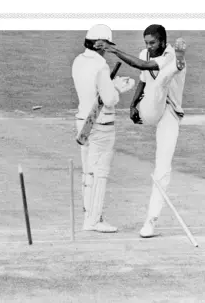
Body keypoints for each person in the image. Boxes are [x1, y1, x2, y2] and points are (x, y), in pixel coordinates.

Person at [95, 24, 187, 238]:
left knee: (163, 168)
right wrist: (133, 104)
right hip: (150, 109)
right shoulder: (145, 54)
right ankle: (178, 67)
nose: (149, 46)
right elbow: (143, 79)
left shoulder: (170, 54)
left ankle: (150, 221)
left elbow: (144, 66)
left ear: (164, 42)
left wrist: (113, 50)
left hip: (171, 114)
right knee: (158, 84)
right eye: (146, 43)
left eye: (153, 43)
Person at [72, 24, 134, 233]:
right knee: (99, 173)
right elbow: (108, 99)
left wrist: (109, 83)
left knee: (88, 172)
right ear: (101, 44)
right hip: (101, 125)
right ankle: (94, 220)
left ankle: (88, 217)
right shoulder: (101, 66)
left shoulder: (78, 61)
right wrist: (116, 87)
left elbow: (92, 90)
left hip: (83, 121)